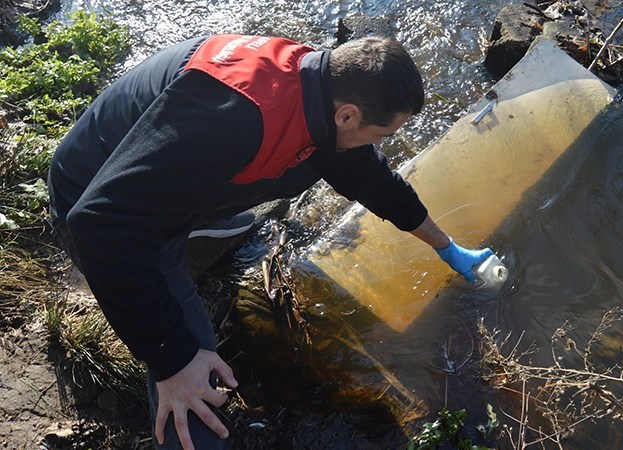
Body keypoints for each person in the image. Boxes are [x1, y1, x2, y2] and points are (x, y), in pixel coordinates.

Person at [47, 34, 494, 449]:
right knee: (198, 385)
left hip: (165, 177)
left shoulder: (321, 85)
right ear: (349, 115)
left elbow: (374, 181)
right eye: (382, 134)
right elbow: (97, 222)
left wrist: (446, 247)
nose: (381, 144)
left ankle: (195, 228)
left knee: (295, 175)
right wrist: (170, 358)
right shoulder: (232, 116)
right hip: (98, 204)